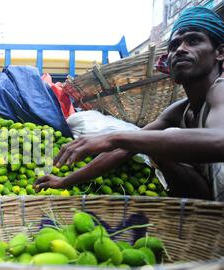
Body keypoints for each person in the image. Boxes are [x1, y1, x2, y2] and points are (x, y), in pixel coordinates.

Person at [35, 6, 224, 201]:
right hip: (210, 201)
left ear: (219, 52)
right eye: (174, 45)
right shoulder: (179, 110)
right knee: (155, 144)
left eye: (194, 41)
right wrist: (63, 181)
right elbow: (124, 150)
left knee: (166, 138)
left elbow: (220, 140)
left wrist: (114, 138)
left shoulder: (220, 89)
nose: (181, 49)